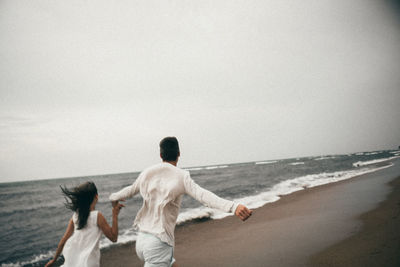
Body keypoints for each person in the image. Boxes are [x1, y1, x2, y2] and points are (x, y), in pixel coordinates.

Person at [109, 137, 252, 267]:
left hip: (141, 241)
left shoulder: (147, 172)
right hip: (159, 242)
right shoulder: (181, 176)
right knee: (165, 259)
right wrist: (233, 206)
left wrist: (113, 198)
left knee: (172, 264)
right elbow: (203, 196)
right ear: (179, 153)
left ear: (160, 155)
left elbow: (129, 190)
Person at [45, 181, 124, 267]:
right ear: (96, 196)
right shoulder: (97, 216)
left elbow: (63, 240)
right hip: (90, 263)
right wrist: (115, 214)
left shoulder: (75, 216)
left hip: (74, 262)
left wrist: (54, 260)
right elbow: (113, 238)